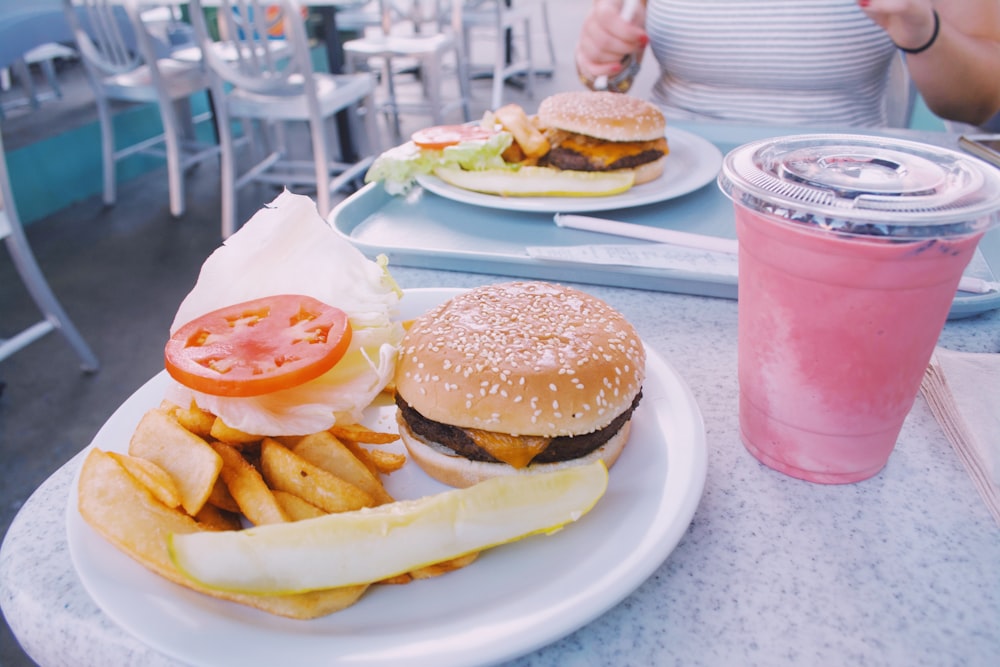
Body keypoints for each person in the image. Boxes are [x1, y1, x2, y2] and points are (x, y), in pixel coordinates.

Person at [574, 0, 1000, 128]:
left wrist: (921, 28)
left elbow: (977, 103)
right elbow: (607, 80)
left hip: (843, 192)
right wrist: (605, 60)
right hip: (674, 174)